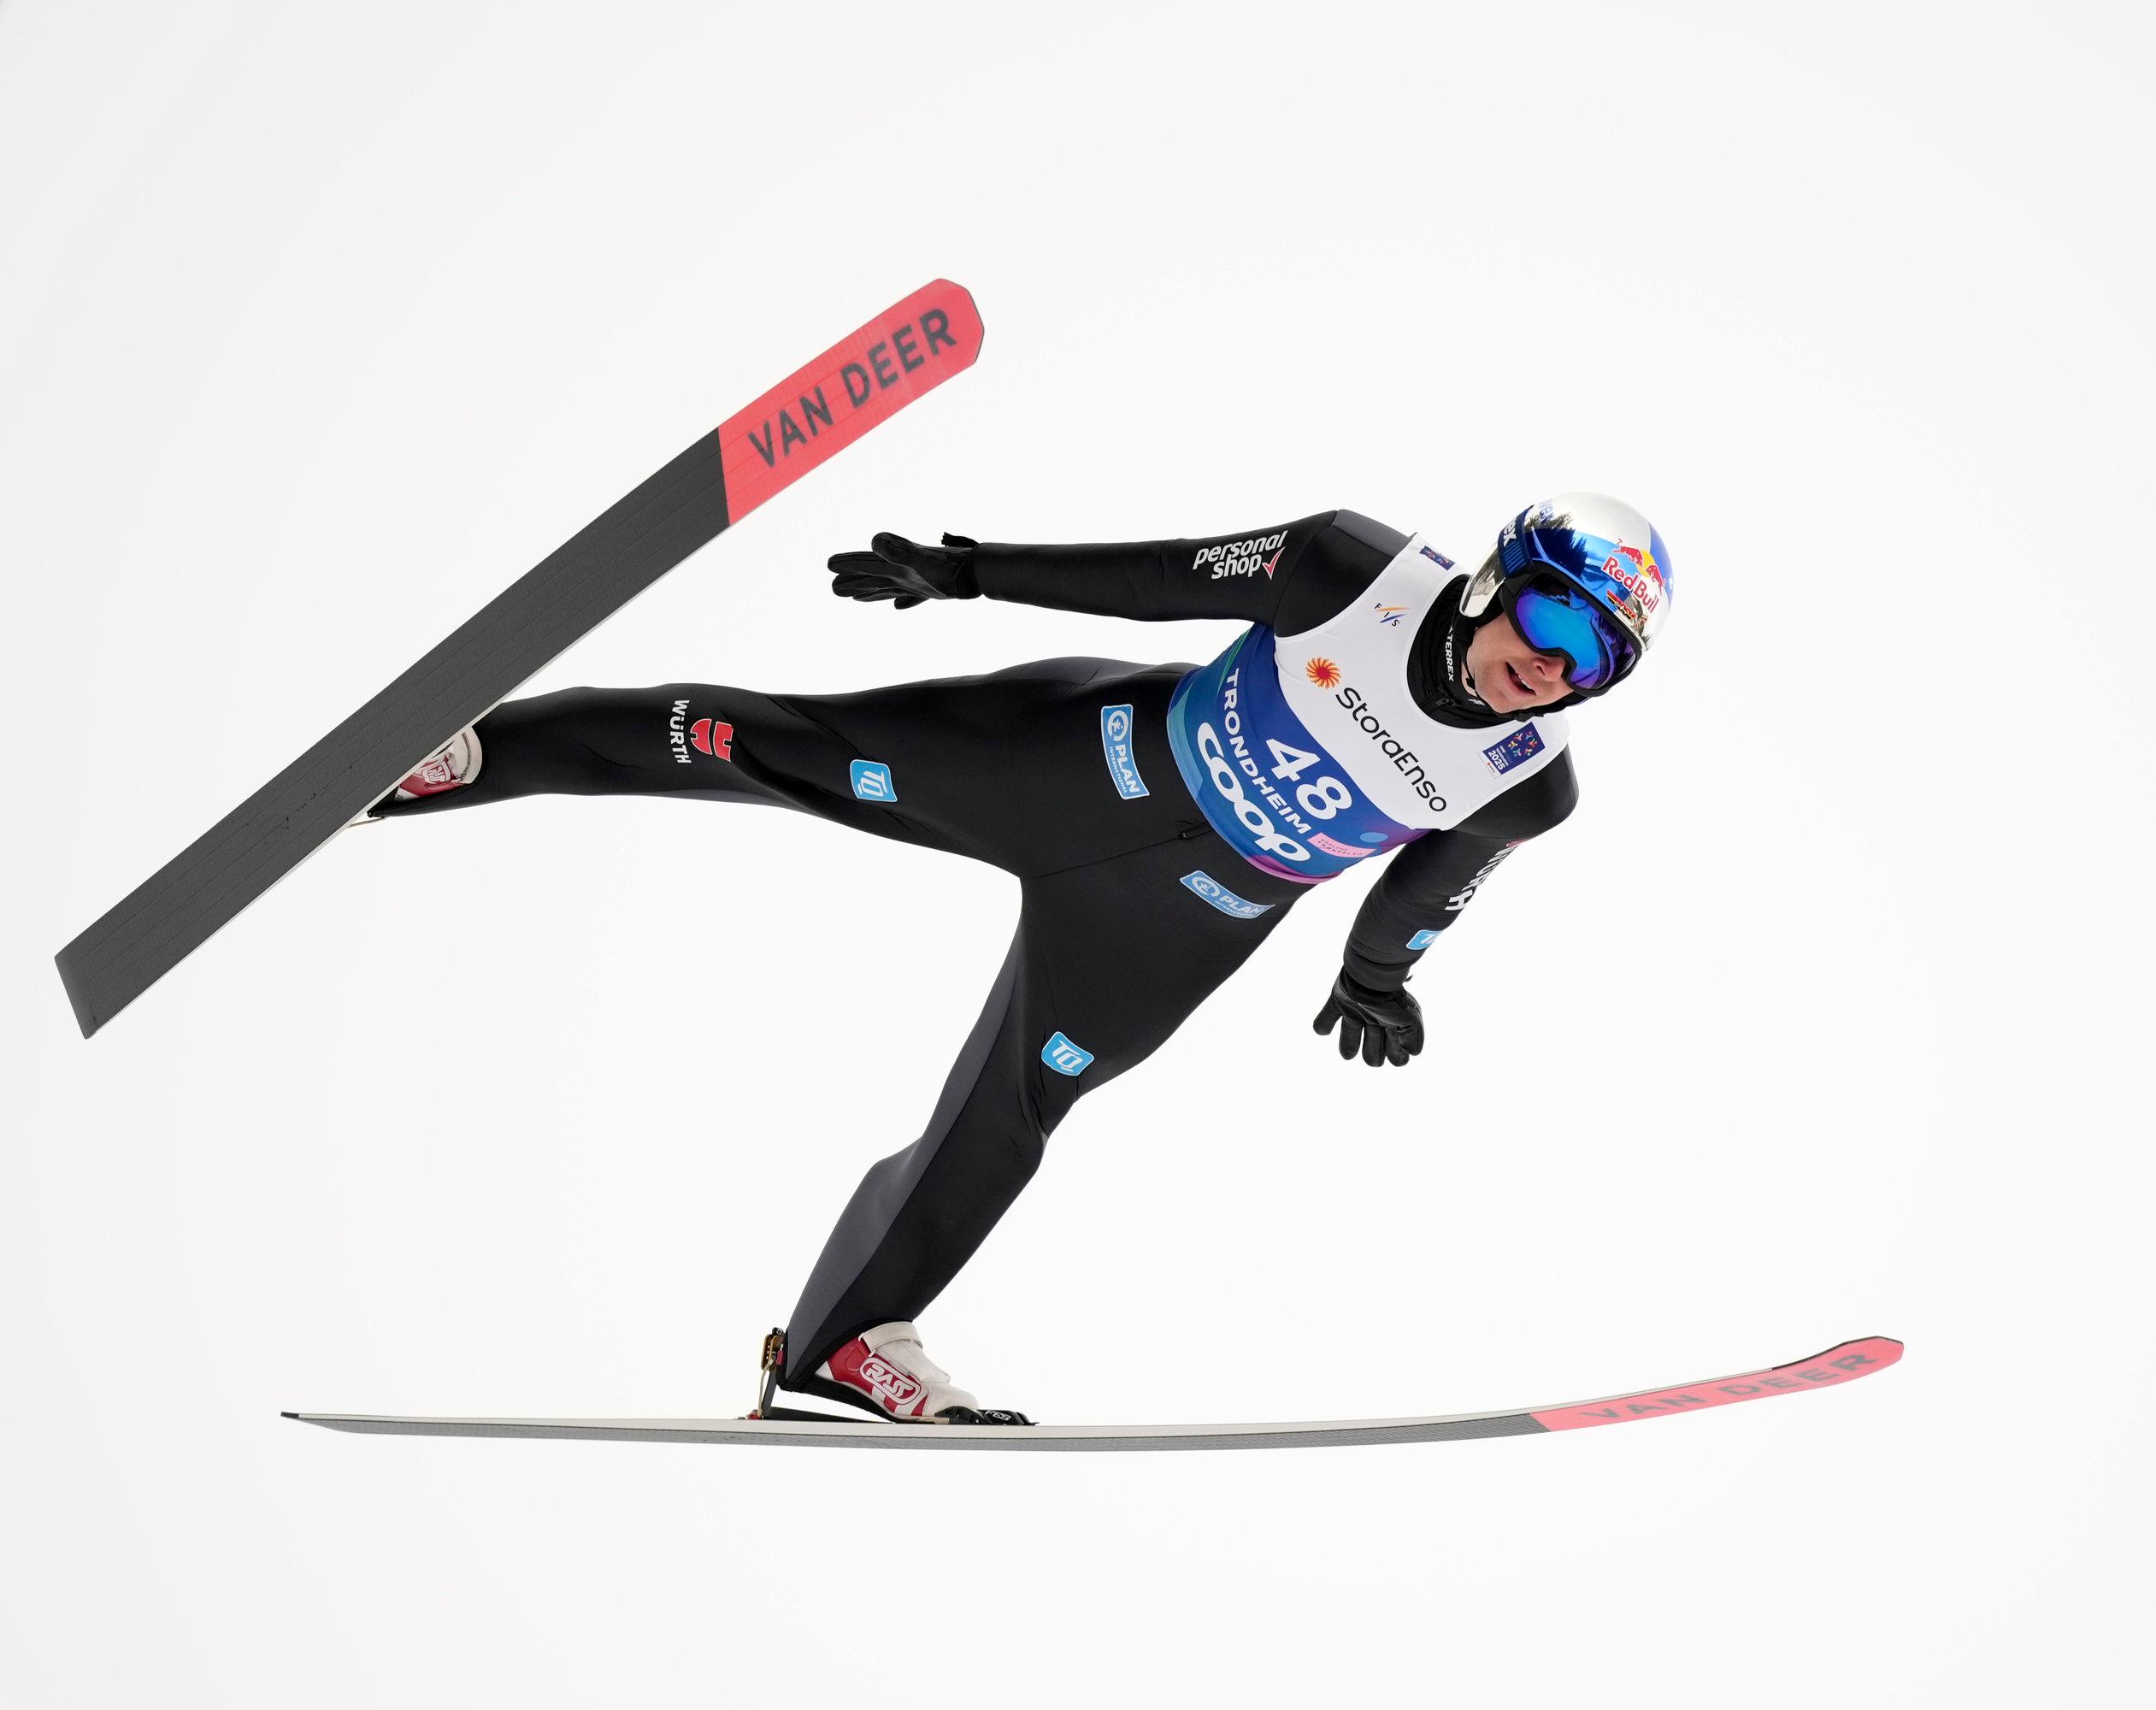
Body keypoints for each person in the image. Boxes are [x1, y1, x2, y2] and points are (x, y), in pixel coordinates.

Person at [374, 493, 1674, 1424]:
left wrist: (1377, 978)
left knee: (1012, 1111)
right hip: (1068, 764)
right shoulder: (1352, 571)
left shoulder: (1524, 786)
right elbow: (1166, 575)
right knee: (770, 744)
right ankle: (473, 754)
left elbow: (1431, 889)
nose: (1545, 672)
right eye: (1551, 622)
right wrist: (973, 572)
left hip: (1180, 920)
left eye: (1590, 667)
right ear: (1504, 573)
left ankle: (839, 1353)